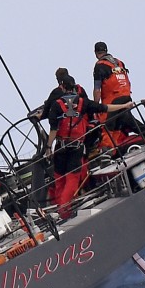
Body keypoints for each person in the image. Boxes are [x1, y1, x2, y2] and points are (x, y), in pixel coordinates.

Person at [46, 76, 135, 218]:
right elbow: (104, 108)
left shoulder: (56, 105)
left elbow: (53, 130)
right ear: (74, 86)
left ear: (62, 87)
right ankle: (63, 212)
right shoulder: (84, 102)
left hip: (60, 147)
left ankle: (59, 211)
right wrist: (124, 106)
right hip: (76, 147)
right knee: (72, 180)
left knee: (59, 180)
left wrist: (48, 147)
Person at [92, 41, 144, 145]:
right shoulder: (120, 63)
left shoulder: (99, 66)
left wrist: (96, 106)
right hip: (126, 97)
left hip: (113, 100)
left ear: (96, 53)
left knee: (106, 126)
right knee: (127, 120)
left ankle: (107, 151)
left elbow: (97, 89)